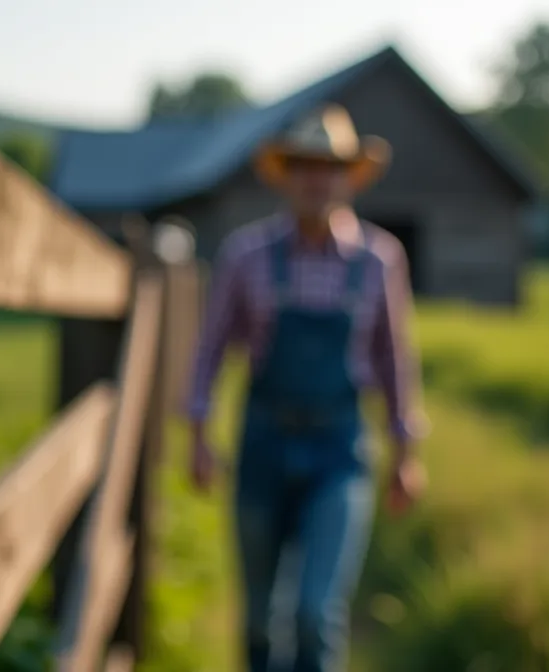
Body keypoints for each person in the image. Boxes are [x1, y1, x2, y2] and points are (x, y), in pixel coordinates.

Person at [184, 104, 428, 672]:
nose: (316, 179)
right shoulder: (246, 255)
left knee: (317, 613)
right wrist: (198, 433)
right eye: (304, 166)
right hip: (263, 444)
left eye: (329, 167)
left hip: (339, 451)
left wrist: (405, 451)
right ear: (287, 176)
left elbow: (395, 357)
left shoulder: (378, 259)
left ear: (348, 178)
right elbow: (211, 349)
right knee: (260, 619)